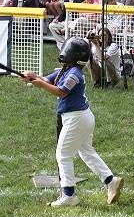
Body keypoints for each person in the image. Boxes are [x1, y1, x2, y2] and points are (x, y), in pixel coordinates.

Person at [21, 37, 124, 207]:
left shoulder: (75, 74)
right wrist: (33, 77)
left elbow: (61, 91)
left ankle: (69, 195)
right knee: (86, 152)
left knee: (63, 154)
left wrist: (39, 84)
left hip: (76, 119)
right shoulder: (66, 70)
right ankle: (111, 181)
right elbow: (48, 80)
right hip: (81, 118)